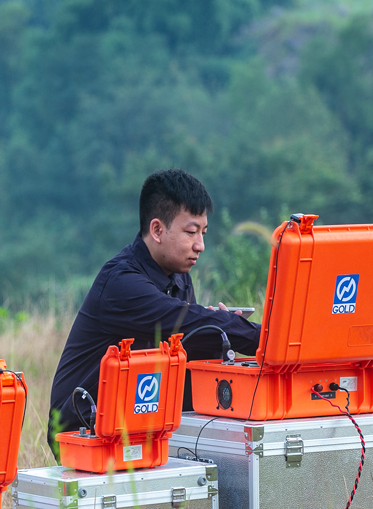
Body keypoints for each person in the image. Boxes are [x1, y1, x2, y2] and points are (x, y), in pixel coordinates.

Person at [48, 168, 261, 457]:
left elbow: (189, 338)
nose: (200, 245)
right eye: (191, 232)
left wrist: (222, 332)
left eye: (203, 232)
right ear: (157, 230)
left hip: (144, 419)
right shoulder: (122, 282)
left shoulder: (178, 275)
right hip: (83, 428)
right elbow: (183, 322)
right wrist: (265, 338)